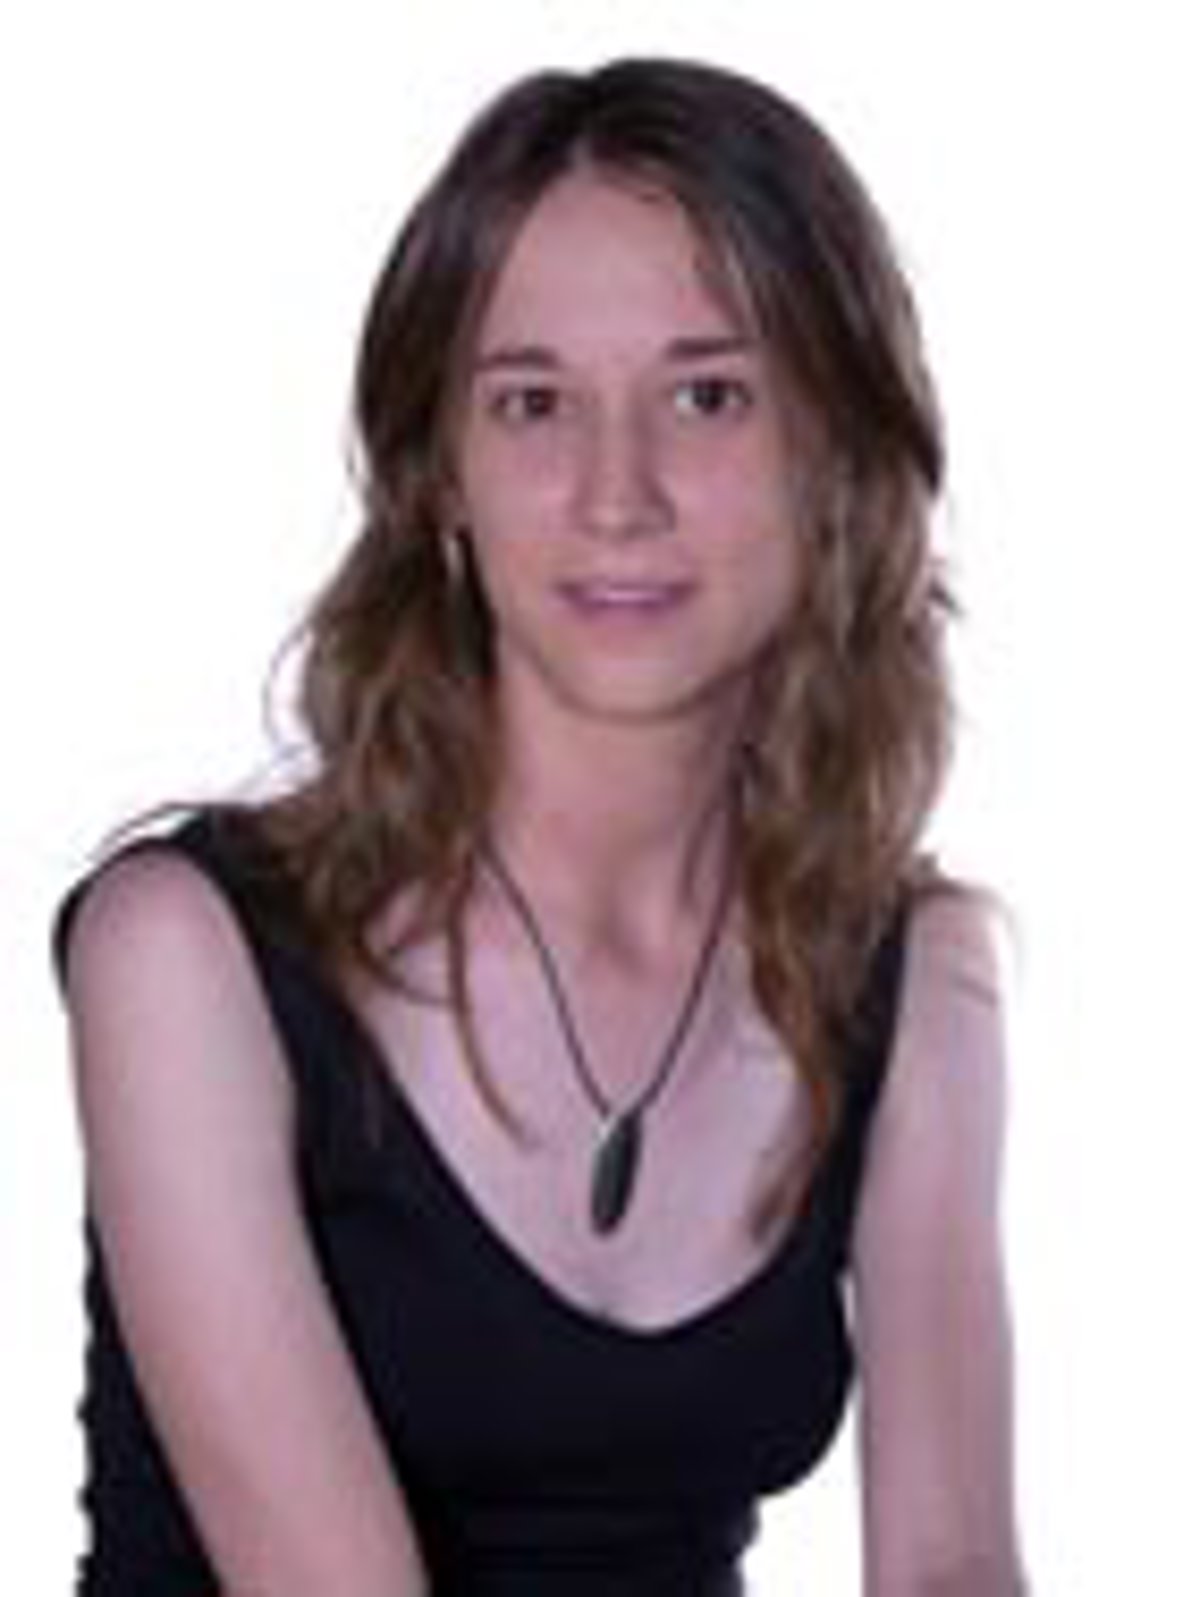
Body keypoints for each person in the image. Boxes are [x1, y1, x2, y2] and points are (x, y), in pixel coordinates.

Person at [55, 56, 1027, 1597]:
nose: (615, 494)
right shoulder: (184, 951)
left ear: (834, 454)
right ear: (438, 472)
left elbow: (952, 1564)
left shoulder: (920, 977)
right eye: (532, 404)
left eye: (708, 396)